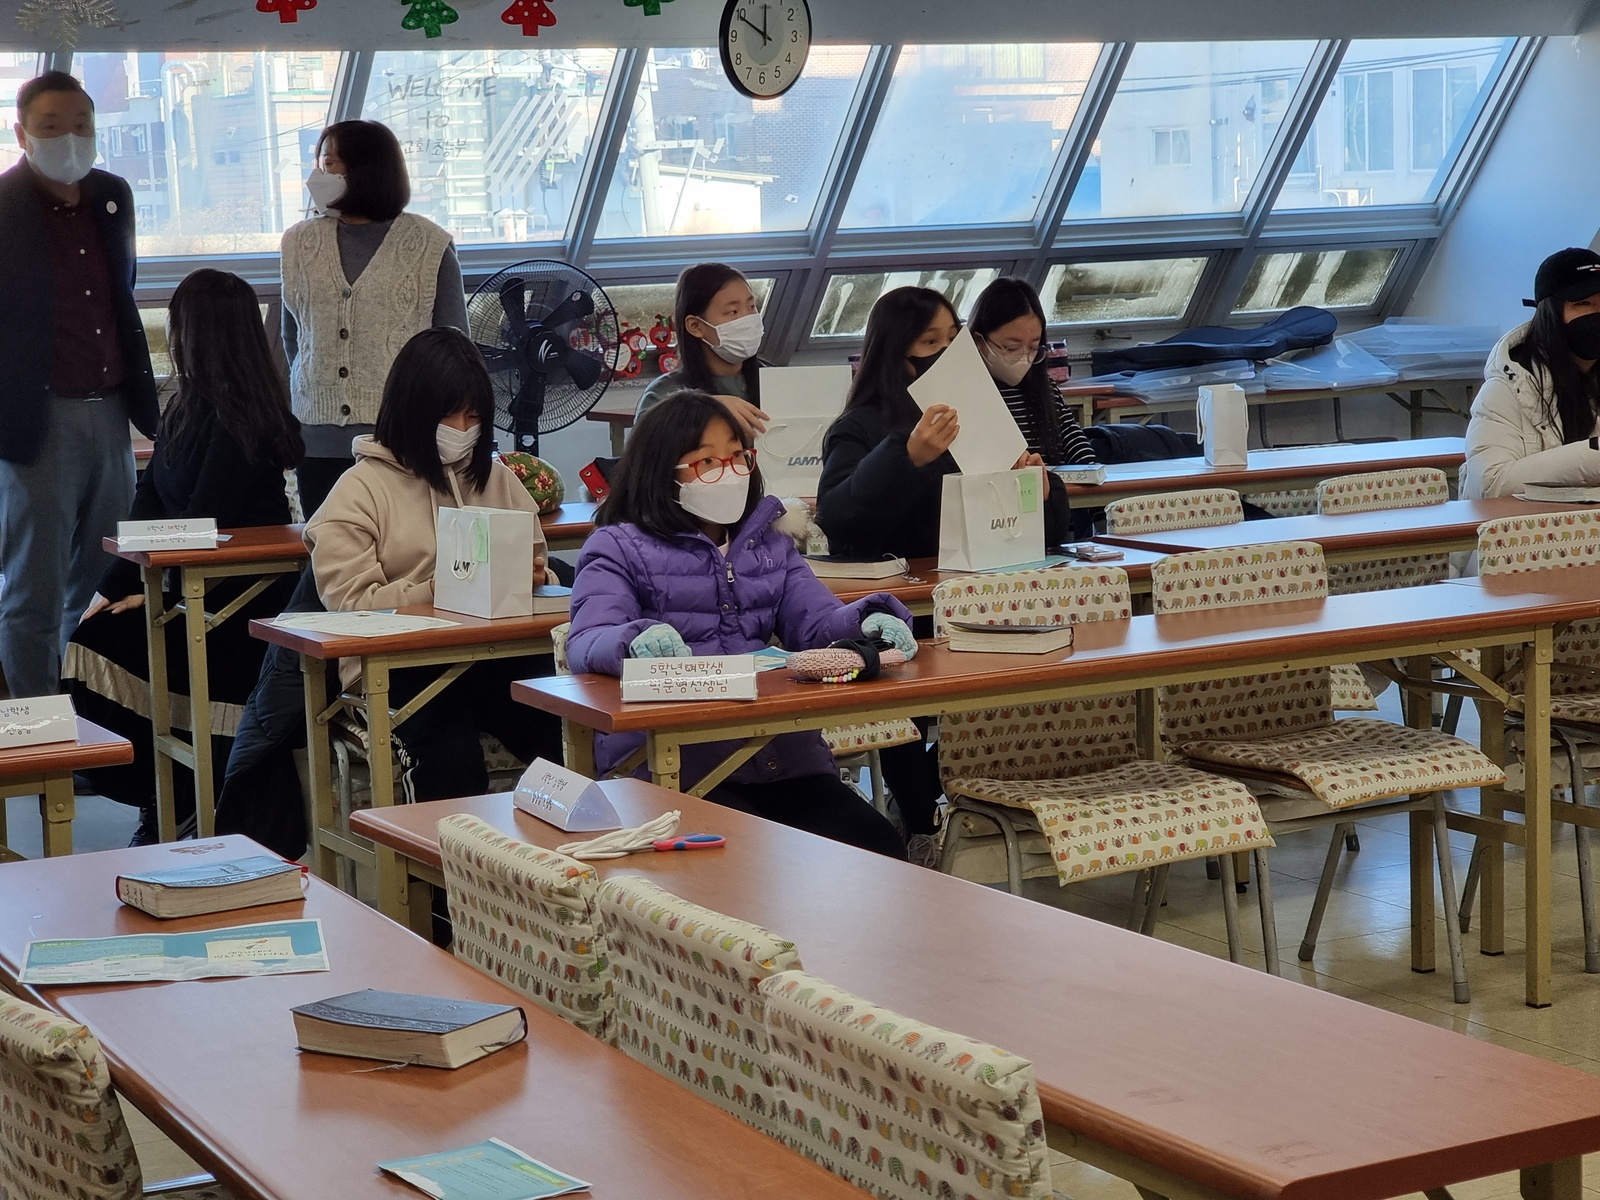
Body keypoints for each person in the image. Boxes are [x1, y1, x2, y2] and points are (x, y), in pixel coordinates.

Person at [566, 391, 915, 859]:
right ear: (662, 472)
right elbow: (586, 640)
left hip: (780, 756)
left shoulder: (769, 542)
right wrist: (633, 641)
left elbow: (816, 621)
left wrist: (868, 620)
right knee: (746, 862)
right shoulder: (618, 547)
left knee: (875, 847)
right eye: (707, 462)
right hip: (671, 766)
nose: (728, 473)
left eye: (737, 458)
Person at [63, 270, 304, 844]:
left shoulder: (242, 418)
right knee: (89, 638)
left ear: (199, 333)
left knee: (110, 645)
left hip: (240, 601)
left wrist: (155, 593)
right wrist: (109, 589)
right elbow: (148, 501)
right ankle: (166, 792)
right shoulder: (187, 404)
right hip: (189, 585)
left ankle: (183, 794)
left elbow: (203, 518)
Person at [304, 327, 560, 802]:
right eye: (448, 415)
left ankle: (566, 846)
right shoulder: (358, 491)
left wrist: (537, 578)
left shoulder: (497, 479)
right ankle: (445, 853)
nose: (462, 429)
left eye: (474, 416)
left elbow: (544, 570)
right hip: (397, 671)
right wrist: (441, 590)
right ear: (412, 409)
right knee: (449, 759)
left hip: (492, 659)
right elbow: (351, 608)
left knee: (565, 731)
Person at [0, 70, 158, 700]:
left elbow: (123, 290)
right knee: (32, 586)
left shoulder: (112, 195)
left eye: (82, 125)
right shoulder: (4, 205)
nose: (69, 137)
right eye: (51, 126)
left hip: (112, 408)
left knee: (101, 571)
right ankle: (40, 733)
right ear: (22, 134)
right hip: (35, 419)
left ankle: (80, 704)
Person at [281, 119, 468, 517]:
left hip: (403, 440)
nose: (318, 175)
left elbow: (454, 348)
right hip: (318, 440)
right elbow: (293, 337)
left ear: (364, 168)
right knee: (326, 546)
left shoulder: (428, 245)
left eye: (329, 163)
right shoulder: (299, 243)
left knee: (402, 545)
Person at [814, 285, 1072, 561]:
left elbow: (1033, 532)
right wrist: (906, 457)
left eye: (953, 339)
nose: (947, 351)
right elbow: (836, 519)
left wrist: (1039, 495)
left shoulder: (978, 414)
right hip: (903, 578)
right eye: (930, 342)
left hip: (983, 574)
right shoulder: (857, 426)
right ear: (894, 350)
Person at [1463, 247, 1600, 499]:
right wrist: (1593, 455)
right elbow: (1490, 483)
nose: (1596, 313)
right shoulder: (1508, 388)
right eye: (1583, 303)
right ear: (1550, 313)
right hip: (1530, 524)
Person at [969, 276, 1097, 468]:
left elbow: (1077, 446)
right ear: (979, 341)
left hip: (1049, 485)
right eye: (1012, 348)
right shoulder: (965, 395)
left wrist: (1087, 470)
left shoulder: (1045, 388)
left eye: (1033, 348)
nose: (1024, 358)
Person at [634, 262, 771, 439]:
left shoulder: (777, 382)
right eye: (733, 311)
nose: (748, 319)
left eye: (751, 307)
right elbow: (644, 453)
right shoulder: (663, 395)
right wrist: (705, 410)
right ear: (695, 326)